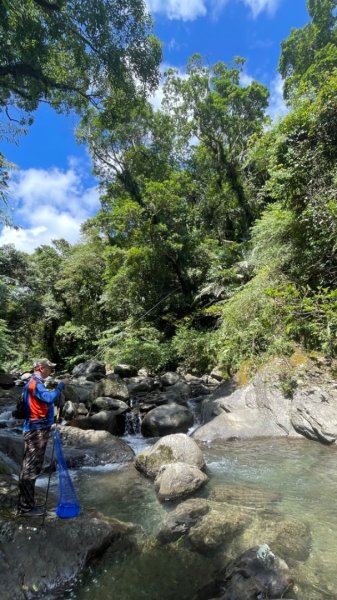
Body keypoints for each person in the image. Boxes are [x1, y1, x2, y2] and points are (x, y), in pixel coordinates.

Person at [17, 358, 69, 517]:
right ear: (40, 368)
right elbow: (48, 398)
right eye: (49, 368)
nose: (51, 371)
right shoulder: (35, 383)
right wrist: (60, 386)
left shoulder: (33, 382)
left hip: (34, 428)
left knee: (29, 466)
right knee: (31, 468)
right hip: (36, 430)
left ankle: (27, 502)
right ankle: (26, 508)